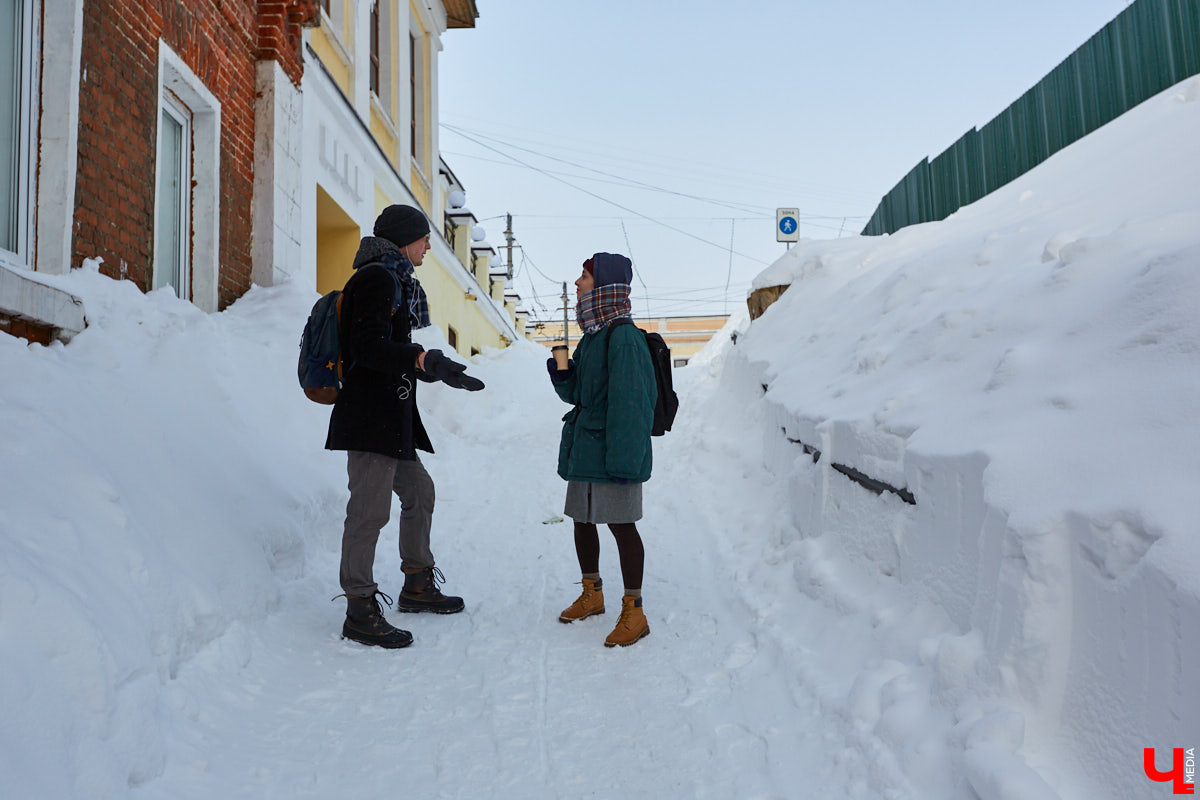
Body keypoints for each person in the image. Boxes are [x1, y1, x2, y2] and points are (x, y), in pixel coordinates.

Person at [327, 204, 485, 649]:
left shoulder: (393, 280)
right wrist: (417, 357)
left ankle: (416, 585)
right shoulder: (377, 278)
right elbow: (367, 346)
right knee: (369, 513)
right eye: (423, 239)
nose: (429, 247)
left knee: (419, 493)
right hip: (369, 419)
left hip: (390, 419)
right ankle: (358, 607)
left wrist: (434, 367)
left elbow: (387, 347)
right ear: (403, 239)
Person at [548, 253, 657, 647]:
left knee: (622, 526)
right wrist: (564, 373)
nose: (577, 283)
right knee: (582, 519)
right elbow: (578, 394)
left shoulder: (624, 338)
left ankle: (636, 609)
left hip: (613, 451)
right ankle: (593, 594)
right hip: (587, 446)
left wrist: (626, 463)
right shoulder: (594, 335)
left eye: (584, 276)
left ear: (605, 285)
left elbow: (633, 404)